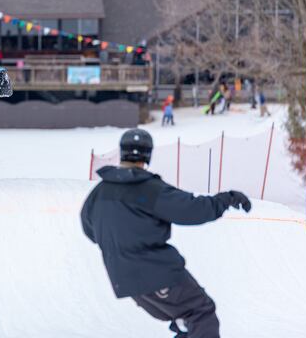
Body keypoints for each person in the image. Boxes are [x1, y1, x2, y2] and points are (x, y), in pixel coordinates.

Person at [81, 129, 251, 338]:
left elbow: (89, 227)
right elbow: (192, 209)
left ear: (122, 152)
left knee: (186, 319)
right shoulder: (148, 188)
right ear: (147, 155)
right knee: (201, 313)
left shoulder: (100, 192)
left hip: (123, 278)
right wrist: (227, 199)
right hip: (155, 273)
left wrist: (120, 242)